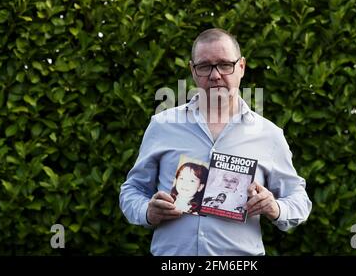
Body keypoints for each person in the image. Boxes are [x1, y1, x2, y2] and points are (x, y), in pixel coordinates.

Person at [119, 28, 312, 255]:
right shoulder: (163, 126)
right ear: (193, 70)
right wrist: (146, 211)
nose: (215, 75)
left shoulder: (268, 134)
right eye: (204, 66)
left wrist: (275, 207)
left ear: (241, 67)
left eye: (224, 64)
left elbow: (299, 200)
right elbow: (132, 189)